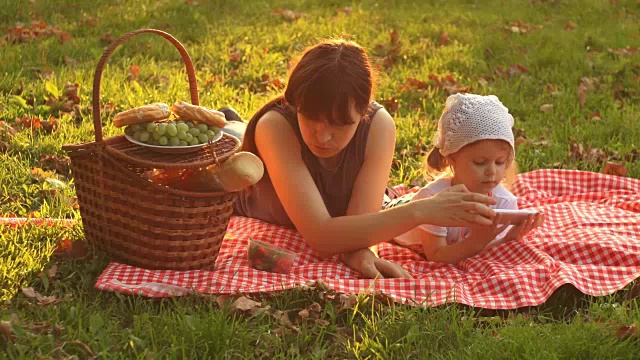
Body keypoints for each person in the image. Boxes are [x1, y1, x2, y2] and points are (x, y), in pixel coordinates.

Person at [219, 39, 498, 279]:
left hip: (333, 214)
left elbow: (361, 222)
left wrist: (362, 252)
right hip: (256, 188)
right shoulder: (276, 125)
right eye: (311, 118)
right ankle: (229, 121)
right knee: (227, 137)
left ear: (363, 111)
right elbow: (322, 236)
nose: (323, 136)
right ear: (295, 104)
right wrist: (423, 210)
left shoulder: (378, 125)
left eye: (340, 124)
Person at [394, 93, 544, 265]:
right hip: (396, 213)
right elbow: (436, 256)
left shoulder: (503, 202)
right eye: (480, 163)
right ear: (451, 159)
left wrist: (508, 238)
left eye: (500, 162)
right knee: (384, 202)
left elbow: (486, 251)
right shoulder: (433, 199)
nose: (492, 171)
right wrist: (477, 241)